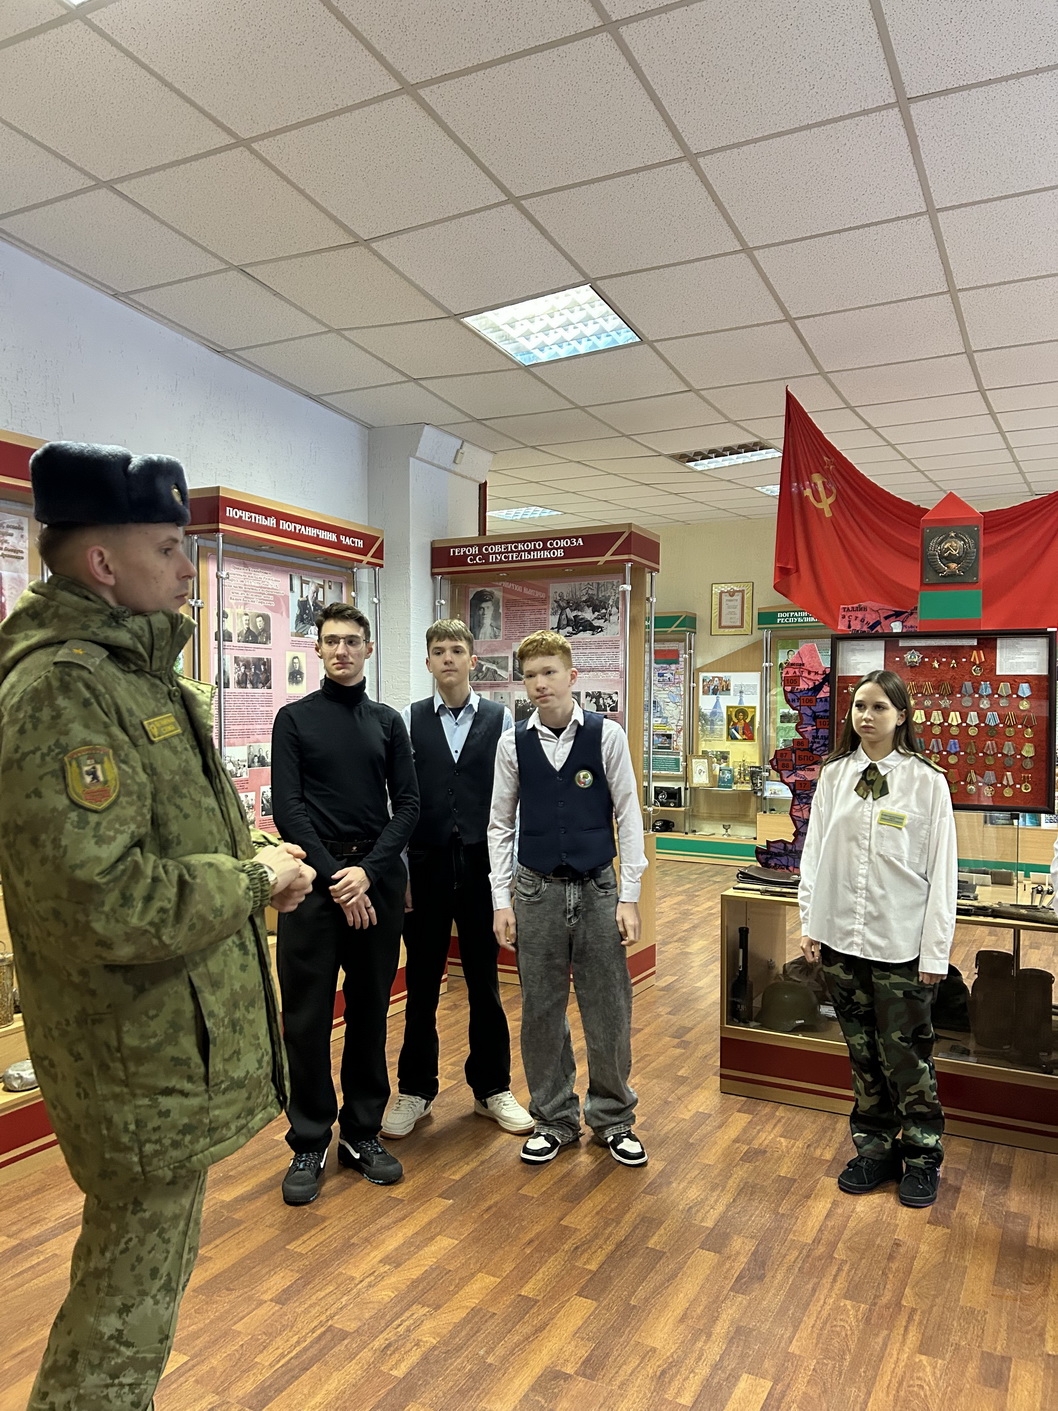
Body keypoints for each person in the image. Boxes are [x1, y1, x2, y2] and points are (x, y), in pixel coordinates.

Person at [0, 440, 314, 1411]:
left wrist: (249, 856)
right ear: (102, 562)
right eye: (169, 548)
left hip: (164, 1057)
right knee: (120, 1320)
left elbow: (165, 838)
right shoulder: (64, 691)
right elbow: (110, 899)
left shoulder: (131, 675)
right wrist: (252, 877)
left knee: (137, 1301)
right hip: (134, 1067)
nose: (188, 570)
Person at [271, 603, 419, 1203]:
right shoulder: (293, 720)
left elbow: (407, 805)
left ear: (368, 649)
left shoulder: (386, 722)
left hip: (373, 881)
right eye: (331, 641)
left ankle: (361, 1133)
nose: (341, 651)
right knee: (306, 1018)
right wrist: (338, 879)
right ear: (317, 649)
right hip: (312, 884)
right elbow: (289, 809)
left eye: (352, 641)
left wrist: (367, 873)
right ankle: (309, 1138)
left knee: (370, 1011)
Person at [489, 629, 649, 1168]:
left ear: (571, 676)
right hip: (535, 890)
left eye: (550, 672)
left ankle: (614, 1118)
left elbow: (628, 814)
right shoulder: (512, 743)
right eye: (531, 675)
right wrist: (501, 900)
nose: (540, 683)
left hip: (599, 887)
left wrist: (630, 895)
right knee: (541, 1009)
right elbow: (499, 825)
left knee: (608, 1007)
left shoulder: (607, 735)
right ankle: (554, 1118)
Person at [799, 668, 957, 1209]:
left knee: (907, 1056)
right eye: (860, 706)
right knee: (862, 1054)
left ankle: (922, 1156)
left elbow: (943, 871)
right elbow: (815, 853)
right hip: (841, 937)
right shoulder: (835, 775)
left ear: (902, 715)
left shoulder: (926, 781)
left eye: (879, 707)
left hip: (900, 942)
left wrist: (936, 950)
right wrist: (810, 922)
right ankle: (874, 1150)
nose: (866, 716)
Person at [384, 620, 531, 1141]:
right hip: (424, 865)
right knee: (422, 982)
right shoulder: (408, 720)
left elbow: (511, 801)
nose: (447, 658)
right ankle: (415, 1089)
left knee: (484, 981)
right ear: (428, 662)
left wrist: (506, 881)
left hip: (480, 865)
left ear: (473, 660)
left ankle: (492, 1089)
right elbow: (398, 802)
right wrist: (401, 870)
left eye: (456, 650)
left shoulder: (500, 718)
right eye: (438, 651)